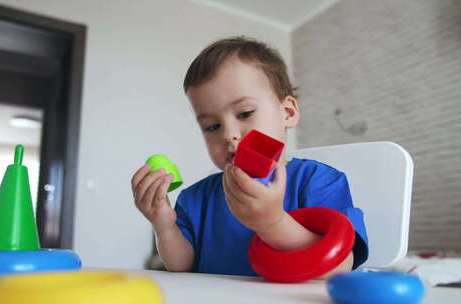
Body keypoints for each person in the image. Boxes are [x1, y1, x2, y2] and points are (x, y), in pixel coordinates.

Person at [131, 36, 368, 278]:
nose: (229, 134)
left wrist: (272, 223)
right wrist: (164, 225)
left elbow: (340, 265)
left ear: (287, 113)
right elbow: (183, 267)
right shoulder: (195, 198)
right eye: (212, 126)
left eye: (244, 113)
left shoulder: (319, 181)